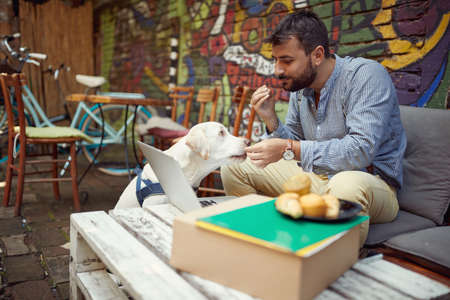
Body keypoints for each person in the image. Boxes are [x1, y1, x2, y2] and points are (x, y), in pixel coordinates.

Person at [221, 10, 407, 247]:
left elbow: (361, 150)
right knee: (236, 167)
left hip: (371, 184)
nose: (277, 70)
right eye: (276, 60)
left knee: (345, 185)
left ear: (317, 55)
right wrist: (271, 119)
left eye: (287, 61)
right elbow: (296, 144)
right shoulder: (301, 90)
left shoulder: (365, 76)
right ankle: (260, 242)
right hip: (316, 177)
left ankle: (327, 266)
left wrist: (290, 147)